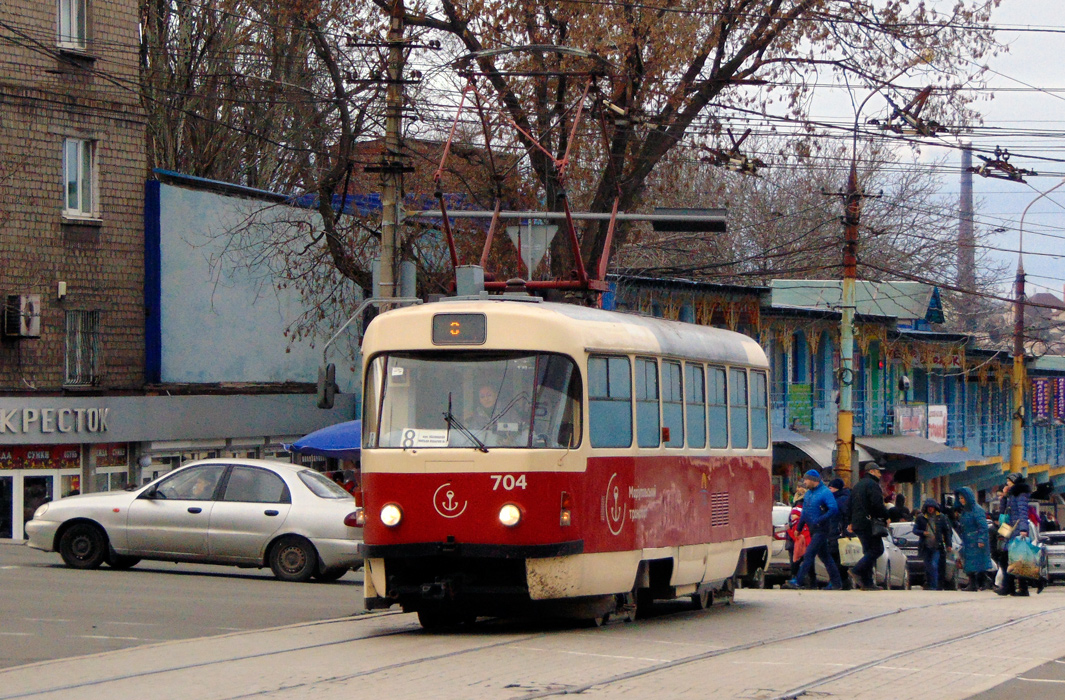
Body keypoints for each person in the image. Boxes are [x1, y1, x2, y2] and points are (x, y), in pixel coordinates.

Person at [783, 470, 842, 590]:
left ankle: (799, 581)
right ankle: (836, 583)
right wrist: (799, 528)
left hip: (822, 529)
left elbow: (833, 509)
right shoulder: (809, 493)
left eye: (806, 479)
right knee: (825, 556)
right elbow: (804, 512)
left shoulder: (825, 492)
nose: (804, 482)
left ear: (813, 480)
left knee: (809, 553)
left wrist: (821, 519)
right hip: (812, 529)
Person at [848, 461, 890, 591]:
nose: (879, 474)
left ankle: (867, 583)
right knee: (877, 550)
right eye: (878, 471)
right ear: (871, 471)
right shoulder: (873, 485)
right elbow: (877, 504)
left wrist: (850, 521)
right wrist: (886, 516)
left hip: (858, 523)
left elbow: (850, 504)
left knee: (868, 551)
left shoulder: (857, 486)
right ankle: (856, 570)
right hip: (869, 523)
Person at [995, 473, 1035, 596]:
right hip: (1010, 530)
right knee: (1007, 559)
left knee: (1014, 559)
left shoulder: (1020, 494)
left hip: (1017, 530)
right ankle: (1011, 587)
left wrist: (1023, 529)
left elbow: (1023, 513)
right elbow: (1003, 513)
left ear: (1015, 482)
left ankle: (1017, 588)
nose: (1007, 483)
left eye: (1009, 481)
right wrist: (1004, 498)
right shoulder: (1011, 495)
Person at [955, 487, 993, 591]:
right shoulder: (965, 511)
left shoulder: (977, 510)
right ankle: (973, 583)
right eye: (960, 498)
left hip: (976, 541)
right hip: (968, 541)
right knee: (969, 564)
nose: (961, 500)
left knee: (978, 563)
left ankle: (983, 581)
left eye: (963, 498)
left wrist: (981, 539)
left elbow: (983, 526)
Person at [913, 499, 952, 590]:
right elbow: (915, 530)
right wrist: (923, 533)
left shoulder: (941, 517)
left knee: (934, 565)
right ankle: (930, 583)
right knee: (927, 567)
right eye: (928, 507)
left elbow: (947, 532)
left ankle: (934, 586)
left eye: (932, 507)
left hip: (937, 547)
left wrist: (948, 544)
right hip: (925, 547)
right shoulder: (921, 518)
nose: (930, 509)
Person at [827, 478, 852, 589]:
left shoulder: (840, 500)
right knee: (838, 558)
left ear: (836, 488)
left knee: (836, 558)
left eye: (831, 488)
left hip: (838, 533)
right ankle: (843, 582)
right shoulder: (840, 498)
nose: (829, 490)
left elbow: (845, 516)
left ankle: (837, 582)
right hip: (836, 532)